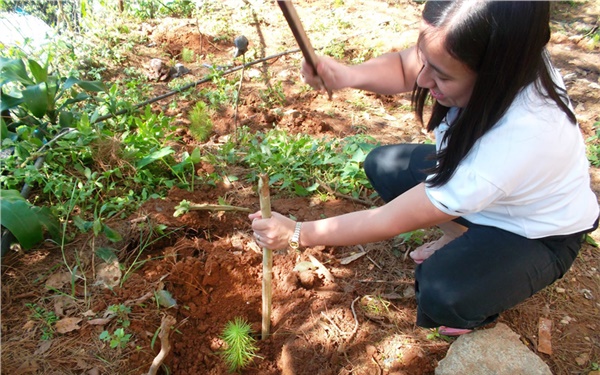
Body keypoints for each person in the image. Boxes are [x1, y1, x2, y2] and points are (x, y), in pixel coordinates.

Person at [249, 0, 599, 335]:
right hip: (489, 194)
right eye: (426, 61)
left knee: (440, 291)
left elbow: (389, 220)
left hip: (536, 235)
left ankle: (473, 303)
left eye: (442, 76)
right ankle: (460, 236)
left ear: (493, 75)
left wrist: (297, 233)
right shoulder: (503, 51)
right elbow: (406, 67)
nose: (423, 80)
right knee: (383, 165)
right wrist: (345, 74)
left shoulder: (517, 139)